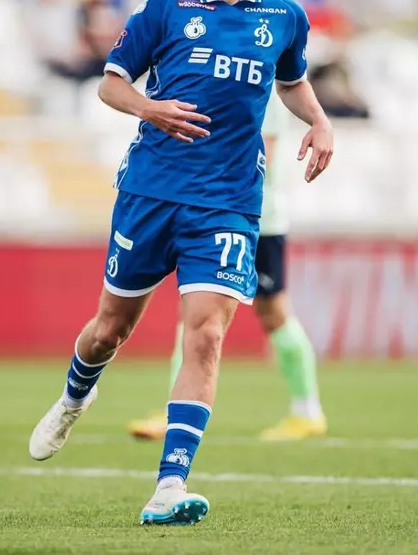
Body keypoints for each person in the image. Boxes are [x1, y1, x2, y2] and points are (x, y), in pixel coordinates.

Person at [26, 0, 334, 525]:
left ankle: (169, 486)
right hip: (151, 193)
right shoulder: (166, 6)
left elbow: (291, 81)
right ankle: (74, 398)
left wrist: (320, 121)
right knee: (110, 329)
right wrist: (150, 108)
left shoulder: (284, 17)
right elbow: (110, 83)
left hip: (228, 203)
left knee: (207, 335)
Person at [126, 90, 326, 443]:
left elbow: (262, 153)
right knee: (195, 309)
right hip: (223, 214)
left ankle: (308, 411)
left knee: (274, 314)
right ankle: (175, 410)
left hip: (255, 219)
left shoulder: (265, 91)